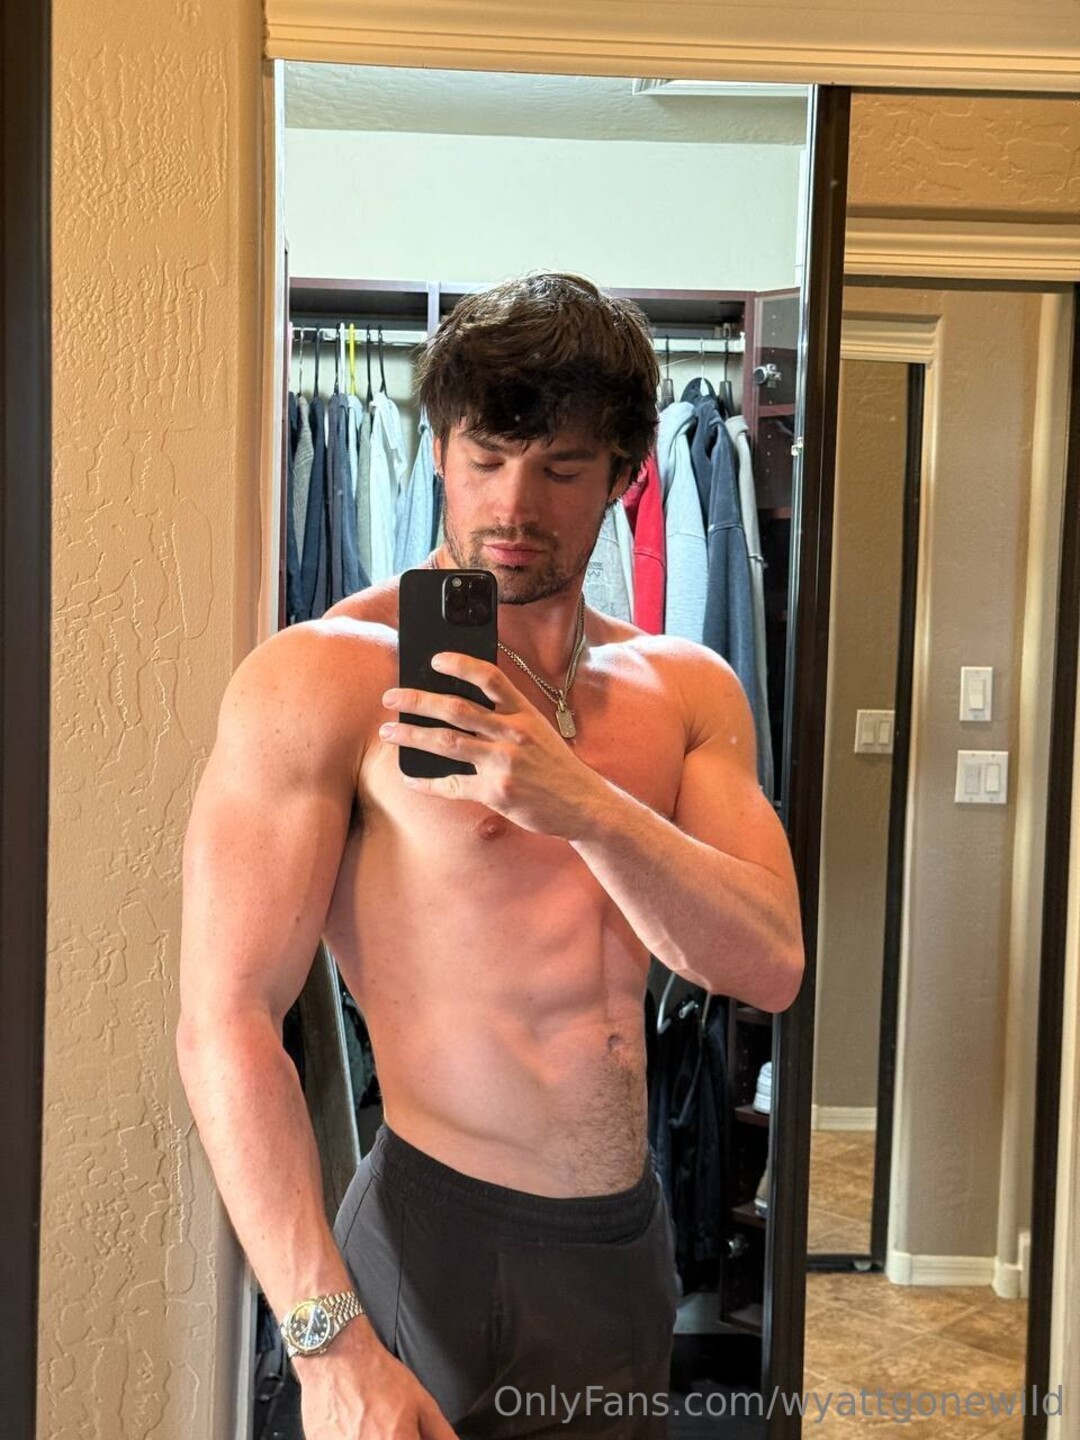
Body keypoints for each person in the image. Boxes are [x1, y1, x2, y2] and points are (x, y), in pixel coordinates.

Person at [177, 273, 805, 1440]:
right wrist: (327, 1347)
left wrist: (584, 806)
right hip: (437, 1238)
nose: (513, 503)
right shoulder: (325, 675)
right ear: (438, 451)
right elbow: (226, 1021)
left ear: (625, 474)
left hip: (625, 1245)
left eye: (560, 468)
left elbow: (767, 964)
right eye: (485, 458)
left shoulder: (686, 689)